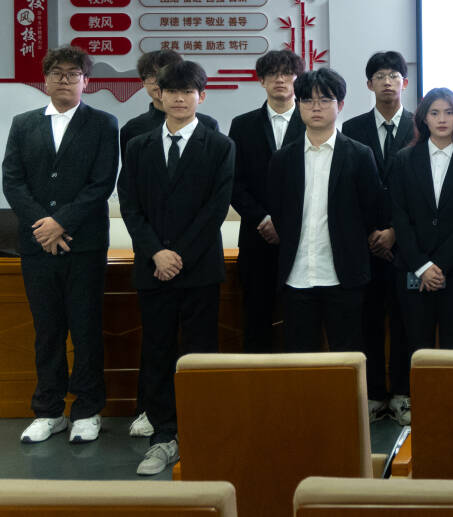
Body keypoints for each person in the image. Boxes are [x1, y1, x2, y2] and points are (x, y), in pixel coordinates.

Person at [117, 60, 233, 476]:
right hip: (153, 269)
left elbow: (216, 208)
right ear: (159, 95)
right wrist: (156, 253)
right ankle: (164, 436)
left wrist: (178, 254)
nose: (180, 99)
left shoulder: (219, 145)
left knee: (200, 352)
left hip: (199, 268)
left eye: (188, 91)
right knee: (158, 351)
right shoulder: (138, 146)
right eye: (172, 91)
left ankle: (203, 433)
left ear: (202, 96)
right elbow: (130, 205)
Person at [3, 46, 118, 445]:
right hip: (37, 246)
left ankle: (87, 410)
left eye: (72, 74)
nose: (64, 80)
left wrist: (62, 223)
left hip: (84, 245)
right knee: (47, 330)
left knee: (86, 329)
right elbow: (12, 180)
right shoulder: (23, 124)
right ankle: (49, 411)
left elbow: (102, 182)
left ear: (86, 81)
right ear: (45, 80)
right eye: (56, 73)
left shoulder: (103, 123)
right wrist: (43, 226)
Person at [268, 68, 383, 357]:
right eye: (308, 100)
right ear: (298, 105)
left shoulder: (359, 154)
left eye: (325, 100)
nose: (316, 107)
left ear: (340, 105)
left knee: (346, 359)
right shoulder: (283, 158)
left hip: (344, 277)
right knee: (300, 360)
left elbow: (372, 210)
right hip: (297, 275)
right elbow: (278, 210)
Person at [341, 51, 413, 424]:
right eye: (380, 76)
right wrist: (373, 233)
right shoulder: (352, 128)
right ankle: (372, 394)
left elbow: (421, 190)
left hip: (408, 244)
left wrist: (395, 231)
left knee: (404, 320)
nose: (388, 82)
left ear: (405, 82)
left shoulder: (421, 126)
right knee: (367, 320)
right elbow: (348, 189)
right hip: (366, 246)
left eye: (394, 75)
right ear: (369, 84)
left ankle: (402, 392)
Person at [388, 88, 453, 355]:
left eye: (449, 112)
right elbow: (400, 216)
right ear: (424, 118)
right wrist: (422, 266)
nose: (442, 119)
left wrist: (439, 264)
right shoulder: (404, 159)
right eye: (434, 113)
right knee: (417, 347)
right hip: (414, 267)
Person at [228, 49, 304, 355]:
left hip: (302, 238)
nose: (280, 79)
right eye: (272, 74)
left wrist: (286, 223)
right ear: (261, 81)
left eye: (287, 73)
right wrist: (262, 219)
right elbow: (234, 183)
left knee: (299, 320)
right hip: (256, 238)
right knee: (255, 318)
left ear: (297, 78)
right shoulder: (242, 125)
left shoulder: (313, 121)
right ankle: (256, 382)